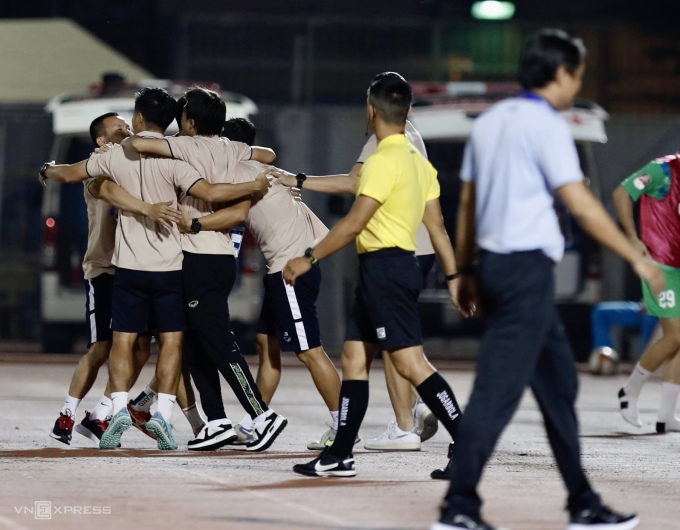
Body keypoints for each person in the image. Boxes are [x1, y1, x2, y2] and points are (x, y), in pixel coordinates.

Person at [432, 29, 663, 530]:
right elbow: (580, 203)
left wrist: (467, 270)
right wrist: (638, 259)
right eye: (576, 73)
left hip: (497, 268)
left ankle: (582, 502)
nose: (576, 82)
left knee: (558, 385)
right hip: (524, 272)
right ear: (561, 73)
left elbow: (467, 203)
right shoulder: (546, 125)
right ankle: (458, 508)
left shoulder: (491, 123)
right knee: (497, 393)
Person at [40, 87, 271, 451]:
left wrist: (47, 170)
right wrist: (254, 184)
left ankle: (115, 407)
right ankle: (162, 413)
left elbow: (69, 174)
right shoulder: (178, 161)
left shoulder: (113, 157)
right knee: (172, 343)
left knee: (122, 342)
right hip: (170, 267)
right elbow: (211, 192)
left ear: (138, 118)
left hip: (127, 268)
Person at [284, 74, 465, 478]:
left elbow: (352, 223)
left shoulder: (383, 160)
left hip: (387, 267)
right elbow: (437, 229)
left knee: (411, 364)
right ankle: (340, 454)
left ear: (371, 110)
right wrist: (453, 278)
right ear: (406, 110)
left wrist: (308, 258)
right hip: (389, 268)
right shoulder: (420, 162)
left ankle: (468, 442)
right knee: (354, 357)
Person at [121, 88, 287, 452]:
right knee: (194, 344)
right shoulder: (233, 148)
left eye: (182, 117)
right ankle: (217, 422)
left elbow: (141, 147)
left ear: (191, 122)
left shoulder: (187, 145)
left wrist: (134, 136)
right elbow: (268, 153)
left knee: (219, 343)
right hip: (219, 257)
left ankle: (262, 414)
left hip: (200, 256)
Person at [175, 117, 345, 450]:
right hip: (286, 268)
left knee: (310, 352)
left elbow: (235, 217)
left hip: (291, 271)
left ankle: (344, 427)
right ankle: (255, 421)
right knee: (268, 348)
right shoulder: (264, 169)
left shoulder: (239, 173)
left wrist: (194, 224)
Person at [46, 112, 164, 445]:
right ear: (101, 140)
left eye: (128, 126)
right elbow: (75, 176)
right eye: (118, 129)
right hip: (104, 269)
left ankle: (99, 415)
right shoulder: (99, 163)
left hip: (133, 267)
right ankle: (66, 415)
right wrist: (47, 169)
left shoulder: (133, 159)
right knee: (101, 348)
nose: (127, 130)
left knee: (140, 349)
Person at [614, 157, 680, 433]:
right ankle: (630, 390)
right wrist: (631, 237)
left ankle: (666, 415)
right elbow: (621, 193)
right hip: (659, 265)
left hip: (678, 266)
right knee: (676, 335)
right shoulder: (662, 170)